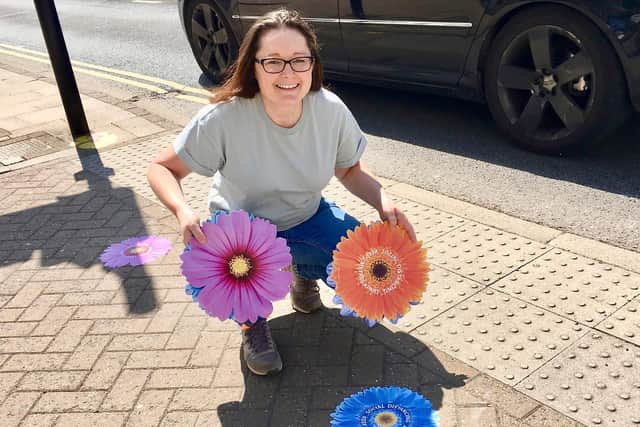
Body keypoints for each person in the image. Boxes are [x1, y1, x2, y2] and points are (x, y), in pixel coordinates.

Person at [147, 9, 416, 376]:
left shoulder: (330, 110)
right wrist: (182, 211)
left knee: (369, 264)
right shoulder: (224, 117)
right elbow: (161, 168)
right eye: (273, 61)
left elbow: (349, 168)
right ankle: (252, 323)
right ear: (253, 67)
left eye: (298, 60)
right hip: (241, 235)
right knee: (238, 275)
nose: (288, 73)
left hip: (306, 216)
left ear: (312, 64)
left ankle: (302, 279)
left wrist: (384, 201)